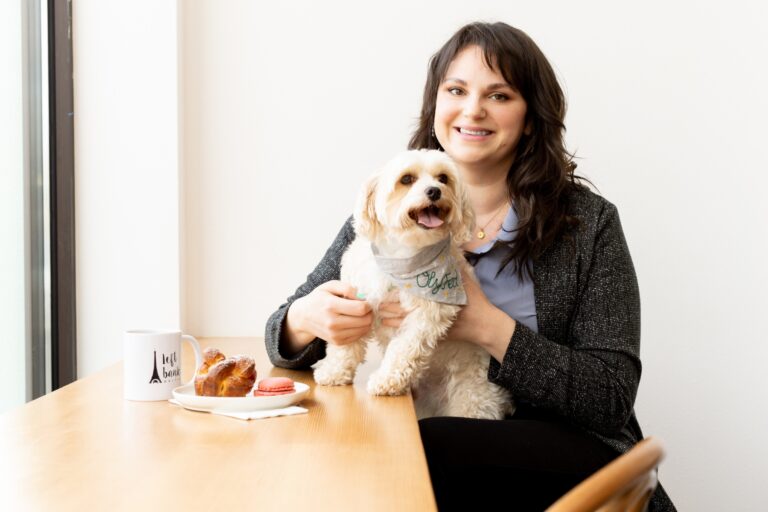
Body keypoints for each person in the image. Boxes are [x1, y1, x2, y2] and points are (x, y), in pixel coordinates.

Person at [264, 21, 676, 511]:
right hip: (439, 438)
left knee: (424, 450)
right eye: (456, 90)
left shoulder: (587, 224)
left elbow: (610, 398)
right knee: (346, 453)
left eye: (499, 95)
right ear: (436, 105)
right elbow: (280, 335)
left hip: (572, 453)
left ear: (530, 116)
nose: (473, 109)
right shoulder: (391, 206)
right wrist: (305, 320)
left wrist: (487, 327)